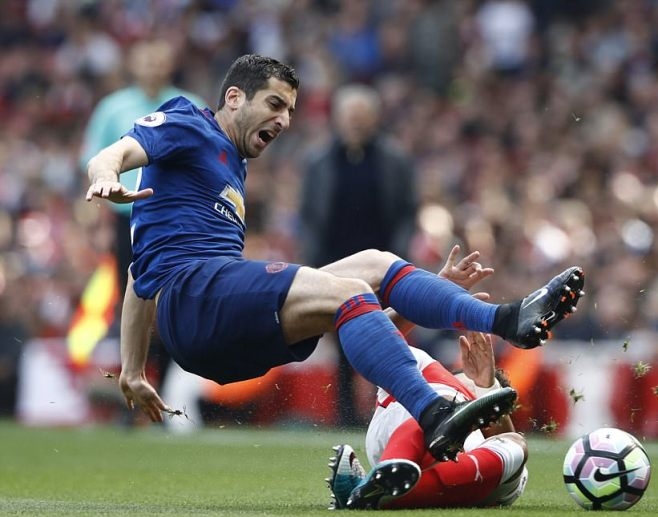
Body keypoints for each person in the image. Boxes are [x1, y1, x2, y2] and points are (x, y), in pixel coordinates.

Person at [83, 53, 585, 461]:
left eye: (290, 112)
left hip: (214, 329)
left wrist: (132, 372)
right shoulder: (190, 124)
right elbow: (114, 153)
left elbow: (138, 275)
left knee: (372, 265)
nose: (283, 119)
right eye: (275, 104)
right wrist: (106, 175)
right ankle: (436, 413)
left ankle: (506, 321)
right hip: (196, 299)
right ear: (234, 98)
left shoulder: (228, 166)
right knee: (350, 288)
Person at [80, 38, 207, 406]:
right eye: (145, 61)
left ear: (169, 65)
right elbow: (93, 157)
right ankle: (130, 391)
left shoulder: (187, 105)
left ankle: (163, 390)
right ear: (133, 66)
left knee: (169, 305)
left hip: (174, 219)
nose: (152, 68)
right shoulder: (113, 108)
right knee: (131, 303)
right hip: (129, 220)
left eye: (159, 61)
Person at [299, 84, 417, 426]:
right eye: (350, 117)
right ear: (337, 119)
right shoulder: (319, 160)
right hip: (335, 263)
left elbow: (407, 211)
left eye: (361, 117)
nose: (355, 124)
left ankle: (388, 411)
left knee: (382, 335)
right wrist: (312, 261)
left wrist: (398, 254)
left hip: (380, 264)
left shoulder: (394, 159)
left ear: (374, 119)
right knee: (341, 339)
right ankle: (345, 412)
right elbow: (308, 215)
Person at [326, 332, 529, 510]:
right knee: (446, 409)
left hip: (436, 463)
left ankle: (374, 488)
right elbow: (367, 333)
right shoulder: (425, 367)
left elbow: (505, 439)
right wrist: (408, 301)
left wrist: (488, 386)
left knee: (516, 450)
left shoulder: (483, 434)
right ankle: (378, 492)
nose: (473, 388)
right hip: (410, 436)